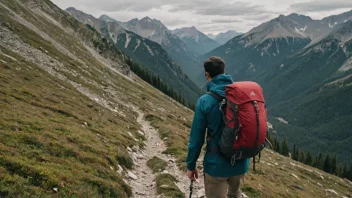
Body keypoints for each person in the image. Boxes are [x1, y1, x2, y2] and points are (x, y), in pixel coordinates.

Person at [186, 56, 250, 198]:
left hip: (216, 165)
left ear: (207, 75)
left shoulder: (205, 101)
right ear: (224, 72)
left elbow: (197, 139)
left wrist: (191, 165)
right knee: (235, 194)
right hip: (240, 161)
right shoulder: (241, 96)